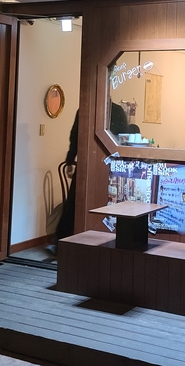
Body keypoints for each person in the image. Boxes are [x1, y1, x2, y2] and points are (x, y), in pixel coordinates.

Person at [47, 102, 128, 256]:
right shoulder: (114, 111)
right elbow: (75, 136)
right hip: (98, 164)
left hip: (99, 163)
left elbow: (74, 136)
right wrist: (70, 159)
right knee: (74, 203)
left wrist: (70, 159)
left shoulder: (90, 109)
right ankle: (61, 242)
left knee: (76, 203)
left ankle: (63, 243)